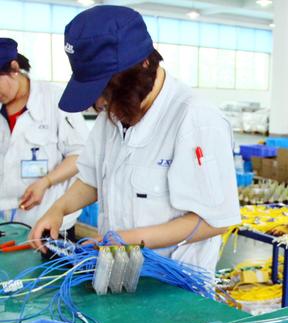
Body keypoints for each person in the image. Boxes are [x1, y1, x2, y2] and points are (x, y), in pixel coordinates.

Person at [30, 6, 241, 273]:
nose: (101, 103)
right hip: (119, 275)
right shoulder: (115, 113)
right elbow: (93, 179)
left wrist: (127, 241)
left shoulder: (196, 119)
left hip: (174, 290)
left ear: (142, 66)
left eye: (107, 90)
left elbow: (216, 220)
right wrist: (58, 209)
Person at [0, 38, 87, 234]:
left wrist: (45, 182)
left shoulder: (56, 100)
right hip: (6, 226)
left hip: (50, 227)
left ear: (14, 69)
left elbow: (80, 154)